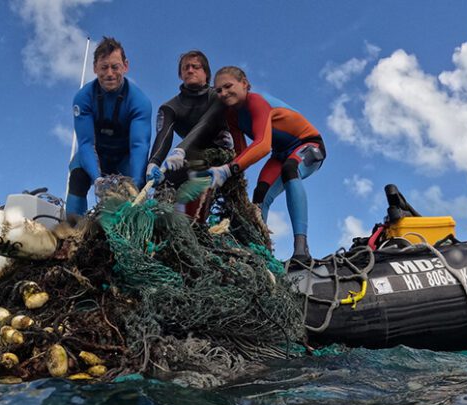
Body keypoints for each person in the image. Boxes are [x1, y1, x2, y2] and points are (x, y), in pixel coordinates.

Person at [201, 66, 326, 264]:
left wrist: (228, 169)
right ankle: (257, 249)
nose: (223, 93)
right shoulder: (231, 115)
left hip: (308, 144)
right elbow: (242, 154)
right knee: (259, 195)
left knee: (290, 170)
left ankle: (301, 250)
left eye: (228, 86)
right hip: (280, 153)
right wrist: (226, 172)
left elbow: (262, 145)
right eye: (218, 90)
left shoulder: (256, 102)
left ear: (244, 84)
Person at [66, 36, 152, 217]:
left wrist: (136, 184)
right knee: (78, 177)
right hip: (96, 155)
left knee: (137, 186)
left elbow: (139, 146)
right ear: (95, 68)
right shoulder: (83, 98)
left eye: (115, 66)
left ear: (125, 66)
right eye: (104, 67)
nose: (110, 73)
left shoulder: (139, 101)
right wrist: (97, 179)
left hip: (125, 160)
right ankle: (72, 231)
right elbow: (86, 144)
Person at [145, 50, 229, 188]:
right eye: (185, 67)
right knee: (164, 183)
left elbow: (206, 123)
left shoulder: (219, 96)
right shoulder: (169, 108)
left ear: (206, 73)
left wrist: (180, 150)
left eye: (195, 67)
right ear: (180, 75)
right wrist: (153, 163)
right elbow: (163, 137)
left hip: (224, 156)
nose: (190, 70)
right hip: (192, 157)